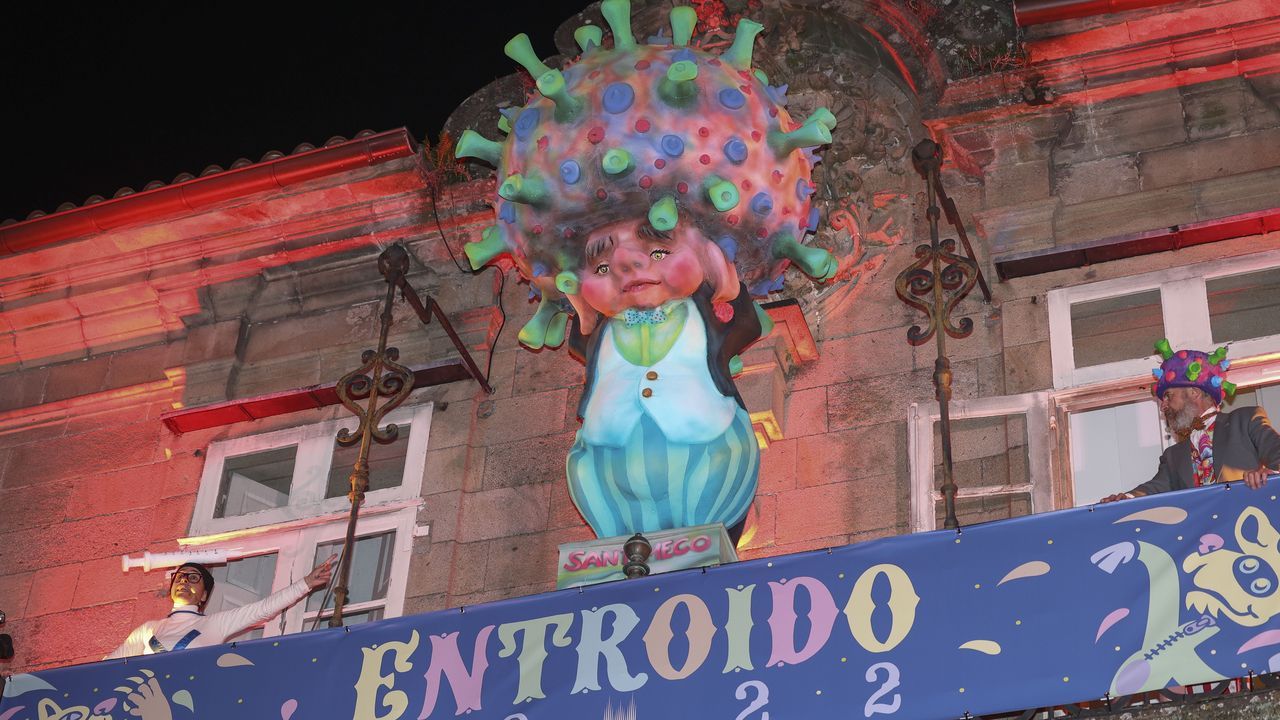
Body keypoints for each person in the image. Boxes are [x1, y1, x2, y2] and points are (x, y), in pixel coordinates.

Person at [564, 218, 763, 540]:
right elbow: (580, 341)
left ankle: (698, 540)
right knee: (583, 472)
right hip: (606, 456)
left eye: (658, 252)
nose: (626, 265)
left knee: (715, 480)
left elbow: (747, 323)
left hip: (708, 445)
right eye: (601, 268)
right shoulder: (603, 331)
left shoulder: (703, 312)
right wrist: (583, 313)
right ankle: (616, 544)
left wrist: (724, 275)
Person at [1100, 341, 1280, 502]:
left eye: (1169, 396)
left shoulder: (1244, 420)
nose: (1163, 407)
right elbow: (1153, 489)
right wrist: (1126, 499)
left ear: (1194, 392)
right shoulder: (1172, 456)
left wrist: (1270, 475)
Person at [105, 554, 335, 658]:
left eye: (193, 578)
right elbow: (106, 668)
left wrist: (305, 584)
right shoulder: (149, 630)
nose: (184, 581)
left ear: (204, 595)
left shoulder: (214, 624)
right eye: (181, 577)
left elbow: (264, 609)